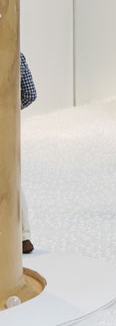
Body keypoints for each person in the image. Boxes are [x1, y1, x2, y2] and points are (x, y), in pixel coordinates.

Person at [20, 53, 36, 254]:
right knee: (10, 180)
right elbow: (30, 94)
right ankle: (23, 237)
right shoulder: (15, 53)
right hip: (5, 125)